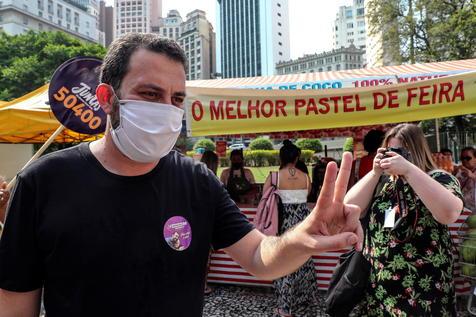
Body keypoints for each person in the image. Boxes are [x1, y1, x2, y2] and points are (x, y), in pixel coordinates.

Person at [0, 33, 362, 317]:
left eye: (176, 98)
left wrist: (302, 237)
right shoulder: (43, 182)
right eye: (149, 93)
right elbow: (16, 302)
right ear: (106, 97)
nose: (166, 110)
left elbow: (258, 257)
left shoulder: (197, 181)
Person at [345, 123, 463, 316]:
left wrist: (408, 170)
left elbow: (449, 213)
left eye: (399, 152)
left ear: (415, 151)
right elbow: (350, 207)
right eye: (388, 151)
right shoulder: (384, 183)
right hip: (381, 287)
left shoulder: (438, 178)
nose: (393, 157)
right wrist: (375, 172)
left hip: (423, 288)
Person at [262, 140, 315, 316]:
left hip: (282, 224)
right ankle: (302, 299)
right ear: (297, 157)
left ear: (281, 157)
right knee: (303, 259)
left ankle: (284, 306)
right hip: (302, 223)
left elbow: (264, 200)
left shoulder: (274, 176)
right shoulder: (305, 177)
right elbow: (307, 197)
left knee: (283, 261)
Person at [200, 150, 219, 295]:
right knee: (205, 258)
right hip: (208, 225)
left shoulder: (193, 176)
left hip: (193, 223)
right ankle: (203, 285)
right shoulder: (214, 180)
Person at [455, 146, 476, 213]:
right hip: (463, 209)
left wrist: (472, 176)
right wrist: (453, 174)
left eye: (468, 158)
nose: (464, 160)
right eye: (462, 158)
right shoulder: (460, 171)